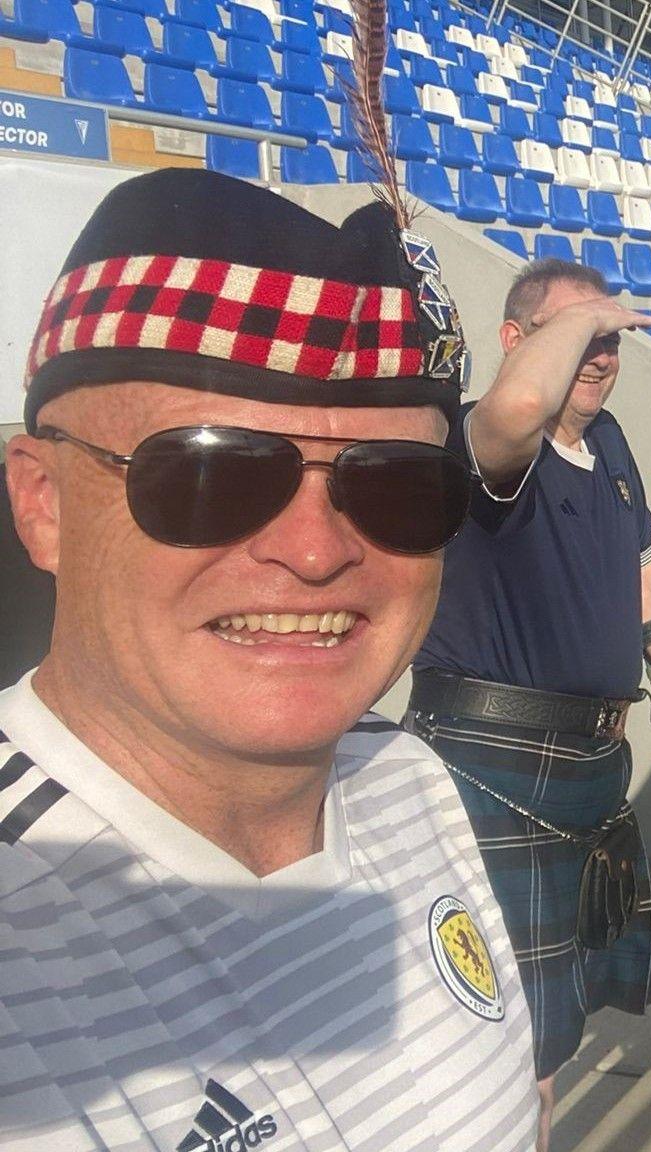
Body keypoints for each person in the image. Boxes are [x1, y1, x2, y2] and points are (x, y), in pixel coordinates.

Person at [1, 168, 540, 1149]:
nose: (316, 548)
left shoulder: (407, 778)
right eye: (214, 473)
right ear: (45, 503)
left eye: (399, 489)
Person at [404, 258, 651, 1137]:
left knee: (549, 1029)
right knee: (503, 1028)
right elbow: (518, 408)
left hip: (592, 764)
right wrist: (584, 320)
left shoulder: (613, 445)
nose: (599, 355)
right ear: (517, 342)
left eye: (609, 339)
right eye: (578, 335)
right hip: (491, 765)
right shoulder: (481, 441)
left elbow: (647, 579)